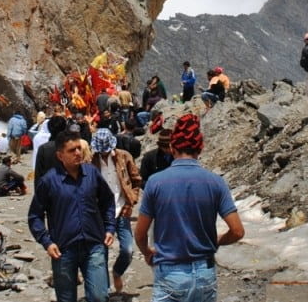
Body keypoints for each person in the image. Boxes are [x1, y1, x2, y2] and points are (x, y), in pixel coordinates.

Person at [135, 113, 244, 302]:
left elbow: (140, 234)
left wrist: (147, 253)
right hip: (205, 273)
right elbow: (237, 231)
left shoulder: (155, 182)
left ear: (171, 147)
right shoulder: (216, 182)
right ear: (200, 148)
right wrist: (216, 240)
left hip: (170, 272)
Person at [28, 131, 116, 302]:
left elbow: (107, 200)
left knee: (99, 296)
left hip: (94, 244)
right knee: (66, 298)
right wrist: (47, 242)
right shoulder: (49, 181)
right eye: (72, 150)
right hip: (63, 249)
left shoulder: (92, 174)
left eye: (79, 148)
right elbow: (35, 216)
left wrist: (110, 228)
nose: (78, 153)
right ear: (60, 155)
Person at [91, 129, 142, 294]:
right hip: (100, 213)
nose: (104, 153)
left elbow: (136, 181)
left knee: (128, 250)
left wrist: (131, 201)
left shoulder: (124, 156)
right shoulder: (91, 161)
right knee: (101, 253)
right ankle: (103, 290)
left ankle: (117, 272)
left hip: (121, 209)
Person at [34, 115, 70, 185]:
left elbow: (38, 175)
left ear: (49, 128)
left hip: (48, 189)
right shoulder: (71, 147)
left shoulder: (43, 149)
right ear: (65, 128)